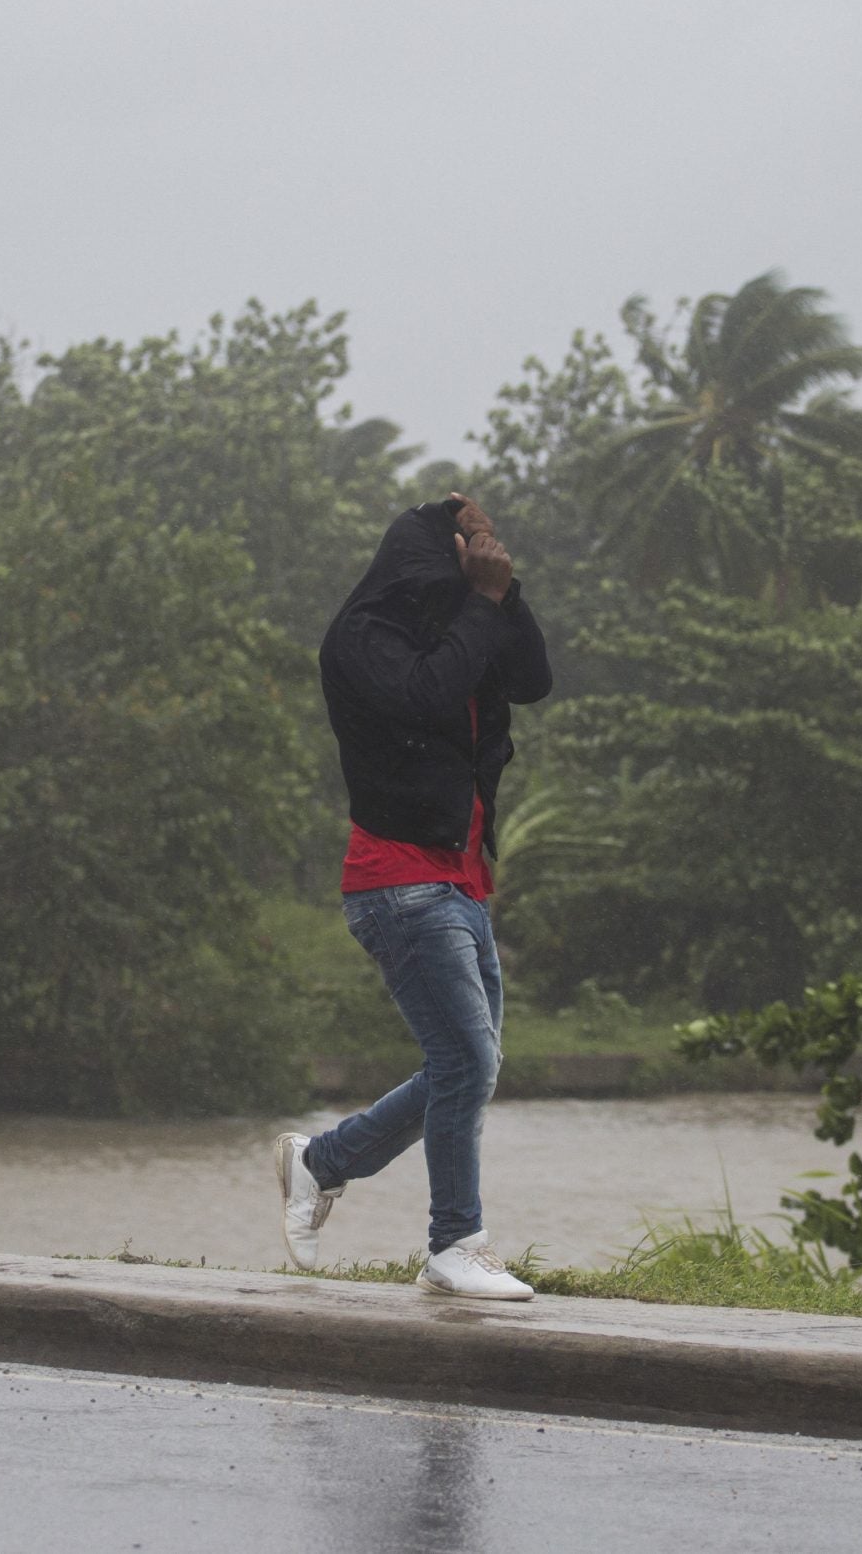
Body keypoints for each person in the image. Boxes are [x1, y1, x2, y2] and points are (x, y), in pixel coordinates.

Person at [276, 492, 552, 1298]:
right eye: (454, 572)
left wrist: (508, 590)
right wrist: (483, 604)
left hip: (463, 879)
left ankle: (319, 1164)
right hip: (396, 879)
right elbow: (428, 696)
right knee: (466, 1058)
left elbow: (531, 679)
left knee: (469, 1064)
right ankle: (454, 1242)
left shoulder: (464, 623)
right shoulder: (363, 638)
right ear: (416, 570)